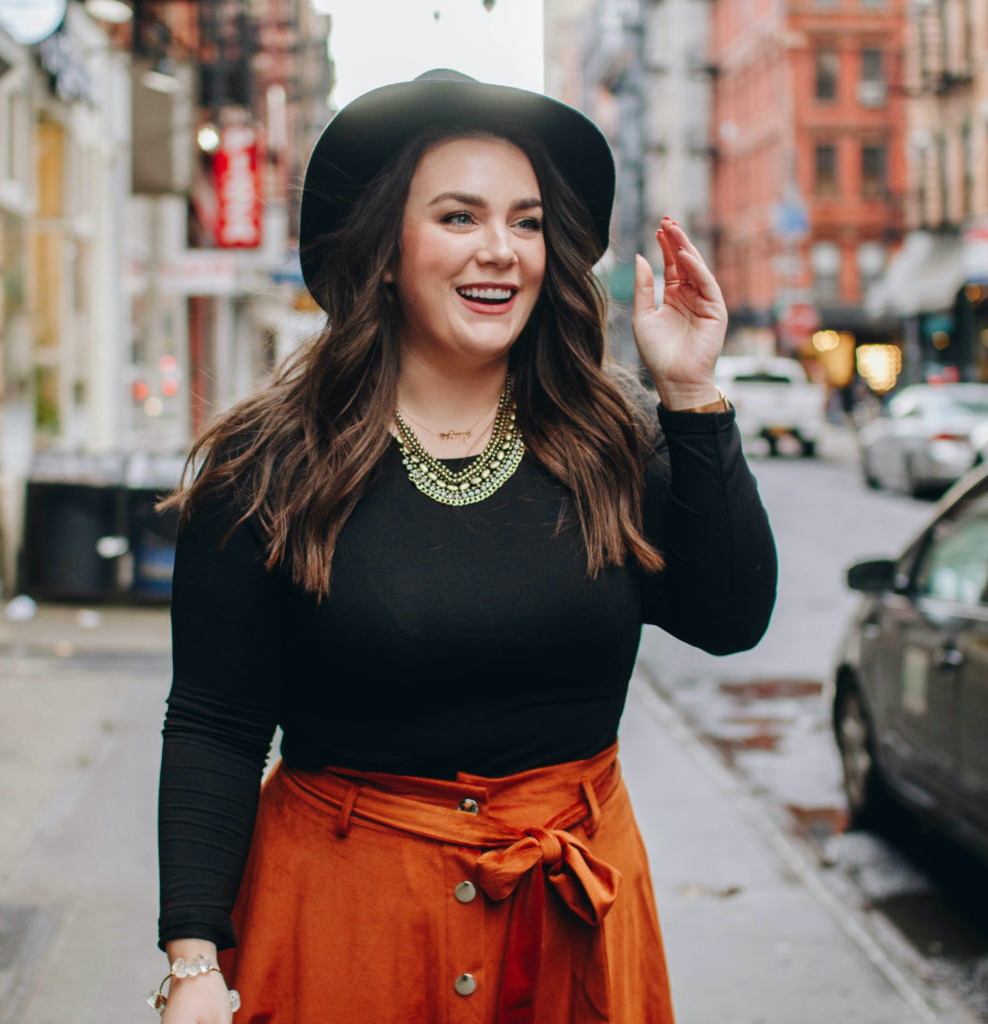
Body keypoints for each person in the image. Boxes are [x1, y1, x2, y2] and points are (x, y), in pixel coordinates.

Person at [152, 69, 777, 1024]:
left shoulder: (615, 440)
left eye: (526, 223)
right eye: (458, 217)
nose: (501, 251)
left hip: (573, 919)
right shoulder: (266, 465)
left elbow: (731, 621)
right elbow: (213, 725)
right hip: (346, 925)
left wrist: (693, 396)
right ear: (387, 252)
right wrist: (193, 961)